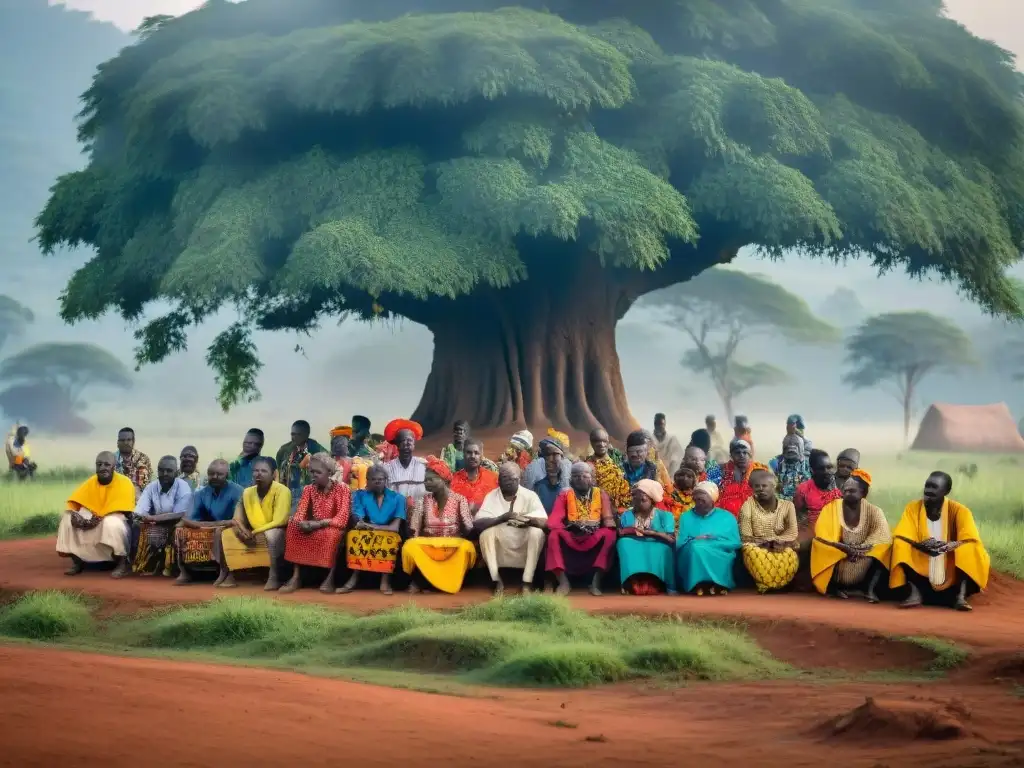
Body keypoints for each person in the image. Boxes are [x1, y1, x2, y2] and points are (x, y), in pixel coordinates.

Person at [889, 471, 990, 611]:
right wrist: (920, 546)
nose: (928, 491)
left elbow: (970, 539)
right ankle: (914, 592)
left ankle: (960, 596)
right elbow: (903, 533)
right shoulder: (913, 507)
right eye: (927, 486)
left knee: (971, 548)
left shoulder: (961, 511)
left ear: (946, 491)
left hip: (949, 560)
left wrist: (948, 546)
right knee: (900, 544)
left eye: (934, 487)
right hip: (922, 560)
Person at [811, 469, 891, 602]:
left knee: (886, 547)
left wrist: (860, 548)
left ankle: (869, 589)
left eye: (852, 491)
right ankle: (832, 587)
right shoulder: (831, 508)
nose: (846, 493)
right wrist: (843, 547)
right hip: (838, 555)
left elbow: (882, 534)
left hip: (863, 556)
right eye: (845, 490)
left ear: (863, 493)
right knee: (818, 545)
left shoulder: (875, 511)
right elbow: (822, 536)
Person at [402, 457, 477, 594]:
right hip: (429, 547)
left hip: (451, 547)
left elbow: (468, 528)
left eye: (430, 480)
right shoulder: (422, 501)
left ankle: (432, 582)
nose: (426, 483)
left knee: (467, 547)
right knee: (410, 545)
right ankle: (425, 580)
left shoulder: (460, 499)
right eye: (425, 480)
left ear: (444, 480)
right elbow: (414, 531)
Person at [280, 453, 351, 594]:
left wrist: (320, 524)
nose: (313, 475)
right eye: (311, 471)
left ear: (329, 473)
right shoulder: (308, 489)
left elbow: (342, 518)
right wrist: (302, 522)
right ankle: (296, 576)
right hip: (314, 524)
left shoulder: (342, 488)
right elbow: (300, 512)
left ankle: (329, 578)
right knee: (293, 525)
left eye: (318, 472)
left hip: (332, 525)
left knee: (332, 534)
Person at [57, 451, 136, 578]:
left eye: (107, 464)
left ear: (114, 467)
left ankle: (122, 564)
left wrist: (95, 519)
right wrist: (76, 517)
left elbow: (122, 509)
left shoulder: (124, 482)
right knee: (67, 518)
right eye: (99, 464)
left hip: (115, 518)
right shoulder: (91, 482)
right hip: (94, 517)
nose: (102, 468)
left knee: (111, 523)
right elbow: (73, 504)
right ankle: (78, 562)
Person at [216, 457, 290, 590]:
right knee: (224, 533)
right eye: (256, 471)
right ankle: (227, 573)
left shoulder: (282, 490)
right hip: (253, 532)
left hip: (277, 530)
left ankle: (274, 576)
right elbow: (237, 518)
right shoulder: (247, 492)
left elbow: (280, 520)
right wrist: (241, 530)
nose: (259, 474)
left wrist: (255, 532)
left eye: (263, 471)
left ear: (274, 474)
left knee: (271, 534)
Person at [475, 462, 548, 596]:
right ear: (498, 480)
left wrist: (529, 520)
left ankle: (527, 581)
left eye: (512, 478)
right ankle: (496, 579)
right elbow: (478, 523)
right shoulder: (492, 496)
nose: (508, 481)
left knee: (537, 533)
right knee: (485, 534)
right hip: (502, 539)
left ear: (519, 479)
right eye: (504, 478)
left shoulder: (530, 496)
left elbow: (544, 522)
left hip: (523, 537)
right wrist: (502, 518)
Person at [545, 462, 617, 596]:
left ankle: (596, 581)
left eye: (584, 476)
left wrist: (597, 526)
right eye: (576, 476)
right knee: (554, 535)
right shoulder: (565, 494)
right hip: (571, 535)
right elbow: (554, 519)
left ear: (592, 479)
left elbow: (608, 519)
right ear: (570, 479)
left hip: (593, 534)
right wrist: (569, 527)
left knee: (610, 534)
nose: (580, 479)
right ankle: (563, 582)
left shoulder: (601, 493)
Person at [339, 463, 406, 595]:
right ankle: (354, 577)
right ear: (367, 480)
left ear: (385, 480)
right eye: (373, 479)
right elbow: (358, 517)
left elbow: (395, 527)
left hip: (390, 531)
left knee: (388, 539)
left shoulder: (398, 498)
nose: (377, 482)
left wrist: (372, 527)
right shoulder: (360, 495)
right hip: (368, 530)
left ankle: (385, 579)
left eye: (380, 480)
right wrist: (360, 523)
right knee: (355, 536)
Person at [174, 459, 242, 585]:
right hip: (212, 526)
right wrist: (218, 523)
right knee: (180, 530)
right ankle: (184, 571)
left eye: (219, 474)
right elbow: (189, 520)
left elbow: (236, 522)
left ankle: (228, 572)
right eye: (211, 474)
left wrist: (218, 524)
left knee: (223, 532)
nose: (214, 477)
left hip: (231, 529)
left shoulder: (237, 491)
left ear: (227, 475)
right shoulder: (201, 493)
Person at [739, 468, 799, 593]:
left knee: (791, 553)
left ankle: (782, 584)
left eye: (764, 486)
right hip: (757, 545)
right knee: (750, 551)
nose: (760, 489)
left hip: (781, 544)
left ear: (773, 487)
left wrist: (777, 541)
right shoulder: (748, 505)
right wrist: (763, 543)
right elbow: (746, 535)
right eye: (757, 486)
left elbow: (792, 531)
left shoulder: (788, 506)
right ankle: (766, 584)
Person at [676, 481, 741, 596]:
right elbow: (680, 543)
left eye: (703, 500)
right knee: (695, 548)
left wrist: (713, 541)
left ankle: (718, 584)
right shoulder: (686, 517)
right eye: (696, 500)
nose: (699, 503)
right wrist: (694, 539)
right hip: (691, 551)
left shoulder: (727, 517)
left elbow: (735, 543)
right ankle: (698, 584)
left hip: (720, 550)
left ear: (712, 500)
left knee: (701, 548)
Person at [131, 455, 193, 575]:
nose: (164, 473)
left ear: (177, 472)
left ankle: (177, 568)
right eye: (161, 470)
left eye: (169, 471)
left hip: (177, 524)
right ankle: (138, 563)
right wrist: (142, 517)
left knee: (179, 529)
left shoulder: (183, 487)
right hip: (156, 526)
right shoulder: (151, 487)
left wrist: (154, 518)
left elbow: (181, 514)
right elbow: (139, 512)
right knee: (135, 526)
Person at [617, 479, 676, 595]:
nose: (638, 502)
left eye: (643, 499)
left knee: (665, 549)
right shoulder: (627, 515)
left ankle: (668, 585)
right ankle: (629, 583)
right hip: (633, 542)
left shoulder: (665, 516)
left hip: (657, 542)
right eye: (635, 499)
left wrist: (654, 533)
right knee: (624, 543)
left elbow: (671, 540)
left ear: (652, 501)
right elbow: (620, 533)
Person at [276, 420, 327, 511]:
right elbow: (278, 470)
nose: (294, 437)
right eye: (292, 434)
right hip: (289, 493)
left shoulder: (317, 450)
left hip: (313, 495)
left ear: (306, 434)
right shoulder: (284, 450)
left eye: (298, 435)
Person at [793, 450, 843, 530]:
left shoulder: (838, 487)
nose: (826, 472)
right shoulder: (803, 489)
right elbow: (798, 514)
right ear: (812, 470)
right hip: (812, 533)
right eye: (821, 468)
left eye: (829, 467)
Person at [584, 428, 631, 512]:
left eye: (604, 441)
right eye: (597, 441)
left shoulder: (618, 459)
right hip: (598, 510)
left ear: (608, 442)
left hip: (621, 508)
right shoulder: (587, 465)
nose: (601, 444)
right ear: (591, 443)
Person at [717, 439, 765, 518]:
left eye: (745, 453)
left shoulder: (760, 471)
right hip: (725, 516)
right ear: (731, 455)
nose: (741, 455)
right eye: (737, 453)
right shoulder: (721, 470)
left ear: (750, 455)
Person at [382, 419, 426, 499]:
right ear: (397, 445)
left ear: (414, 443)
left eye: (410, 440)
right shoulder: (387, 468)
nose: (407, 444)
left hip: (417, 509)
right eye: (403, 441)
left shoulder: (423, 465)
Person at [450, 437, 498, 510]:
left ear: (481, 455)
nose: (472, 456)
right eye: (469, 452)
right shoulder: (453, 480)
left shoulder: (493, 478)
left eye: (476, 453)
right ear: (463, 453)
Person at [770, 434, 811, 501]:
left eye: (795, 445)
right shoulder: (775, 463)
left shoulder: (809, 464)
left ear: (801, 448)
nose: (791, 447)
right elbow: (770, 489)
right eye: (787, 446)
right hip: (782, 503)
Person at [659, 465, 698, 534]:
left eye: (689, 477)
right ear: (675, 478)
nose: (684, 478)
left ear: (694, 481)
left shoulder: (697, 496)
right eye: (681, 475)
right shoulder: (667, 492)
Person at [532, 439, 568, 514]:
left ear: (562, 458)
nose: (550, 459)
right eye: (547, 455)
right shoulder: (538, 487)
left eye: (555, 454)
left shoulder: (570, 486)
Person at [115, 427, 152, 497]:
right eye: (122, 440)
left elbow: (145, 486)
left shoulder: (143, 459)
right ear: (118, 442)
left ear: (133, 441)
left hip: (137, 500)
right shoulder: (111, 460)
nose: (125, 443)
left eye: (128, 440)